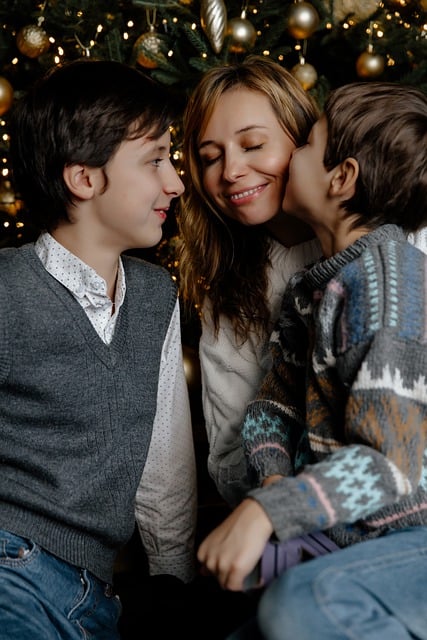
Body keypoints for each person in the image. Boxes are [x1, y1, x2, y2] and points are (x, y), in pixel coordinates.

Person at [197, 81, 427, 639]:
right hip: (348, 533)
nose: (291, 155)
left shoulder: (389, 282)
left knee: (300, 605)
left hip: (409, 530)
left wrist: (270, 510)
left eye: (304, 145)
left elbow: (392, 462)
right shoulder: (313, 288)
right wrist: (274, 484)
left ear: (341, 177)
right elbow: (272, 405)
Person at [1, 59, 197, 639]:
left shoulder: (156, 296)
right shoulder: (8, 288)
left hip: (93, 598)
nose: (176, 183)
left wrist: (174, 586)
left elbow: (165, 465)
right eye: (155, 160)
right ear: (84, 179)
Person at [178, 55, 323, 507]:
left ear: (303, 138)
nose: (230, 171)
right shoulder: (228, 294)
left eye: (253, 144)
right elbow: (225, 463)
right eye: (211, 157)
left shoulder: (391, 239)